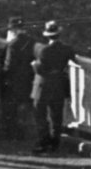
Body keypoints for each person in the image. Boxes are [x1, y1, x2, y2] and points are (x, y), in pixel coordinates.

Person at [31, 20, 74, 154]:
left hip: (43, 86)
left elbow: (40, 68)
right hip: (58, 84)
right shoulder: (67, 49)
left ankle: (43, 140)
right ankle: (55, 142)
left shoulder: (43, 50)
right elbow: (73, 58)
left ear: (47, 35)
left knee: (40, 114)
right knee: (56, 115)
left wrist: (34, 65)